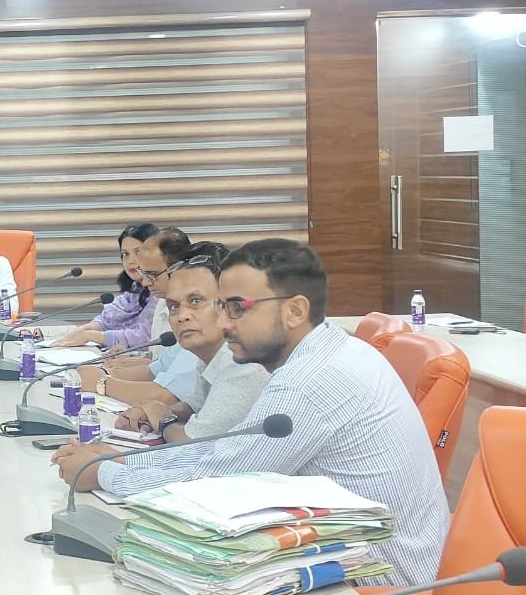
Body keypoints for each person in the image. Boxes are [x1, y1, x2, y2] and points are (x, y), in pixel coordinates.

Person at [52, 239, 449, 586]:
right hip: (348, 550)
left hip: (377, 577)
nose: (224, 323)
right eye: (223, 306)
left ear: (295, 311)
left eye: (237, 308)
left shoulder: (311, 381)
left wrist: (103, 473)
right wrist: (123, 461)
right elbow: (225, 452)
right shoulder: (329, 351)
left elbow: (218, 479)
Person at [112, 242, 269, 442]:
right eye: (174, 306)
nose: (181, 316)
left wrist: (163, 420)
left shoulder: (244, 363)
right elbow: (195, 406)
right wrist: (152, 410)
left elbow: (194, 442)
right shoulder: (211, 355)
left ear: (230, 306)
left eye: (196, 301)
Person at [79, 227, 200, 405]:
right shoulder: (163, 302)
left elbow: (167, 397)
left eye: (152, 275)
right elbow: (157, 367)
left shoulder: (197, 324)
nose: (145, 282)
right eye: (125, 254)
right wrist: (105, 371)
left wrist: (102, 382)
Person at [51, 223, 159, 348]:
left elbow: (145, 338)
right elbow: (107, 321)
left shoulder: (161, 292)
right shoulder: (136, 288)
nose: (131, 261)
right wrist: (84, 329)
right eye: (126, 254)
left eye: (138, 252)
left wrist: (91, 336)